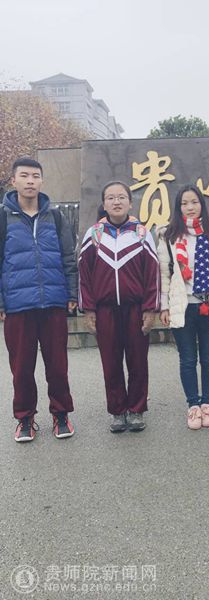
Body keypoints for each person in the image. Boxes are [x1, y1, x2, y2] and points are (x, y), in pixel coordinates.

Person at [0, 157, 77, 442]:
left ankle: (61, 414)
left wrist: (71, 294)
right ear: (14, 180)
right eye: (24, 176)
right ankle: (25, 418)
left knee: (58, 366)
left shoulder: (55, 217)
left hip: (53, 302)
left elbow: (68, 257)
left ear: (42, 180)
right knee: (21, 368)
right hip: (18, 305)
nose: (30, 181)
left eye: (35, 176)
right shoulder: (3, 218)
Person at [78, 181, 160, 433]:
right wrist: (88, 309)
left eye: (121, 197)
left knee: (138, 362)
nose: (116, 202)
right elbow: (84, 275)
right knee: (111, 362)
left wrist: (150, 308)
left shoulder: (142, 233)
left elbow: (153, 274)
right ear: (104, 204)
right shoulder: (94, 235)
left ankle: (136, 409)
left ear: (130, 203)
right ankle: (117, 411)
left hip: (135, 309)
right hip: (105, 311)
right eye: (111, 198)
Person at [157, 184, 209, 430]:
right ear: (178, 207)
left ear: (202, 204)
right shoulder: (168, 235)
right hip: (183, 305)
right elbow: (164, 273)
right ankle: (193, 405)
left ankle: (207, 403)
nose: (190, 207)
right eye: (184, 203)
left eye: (194, 202)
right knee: (188, 359)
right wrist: (164, 306)